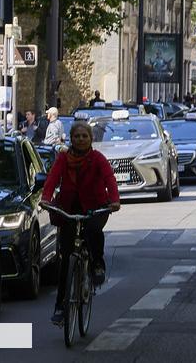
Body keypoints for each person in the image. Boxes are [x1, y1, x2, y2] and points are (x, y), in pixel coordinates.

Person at [39, 120, 120, 326]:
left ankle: (97, 265)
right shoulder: (63, 159)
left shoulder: (98, 159)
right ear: (71, 139)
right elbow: (52, 179)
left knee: (93, 231)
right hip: (69, 208)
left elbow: (109, 178)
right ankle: (60, 307)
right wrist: (46, 198)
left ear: (90, 139)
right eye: (77, 136)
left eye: (85, 136)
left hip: (96, 206)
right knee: (66, 258)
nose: (81, 139)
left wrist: (114, 200)